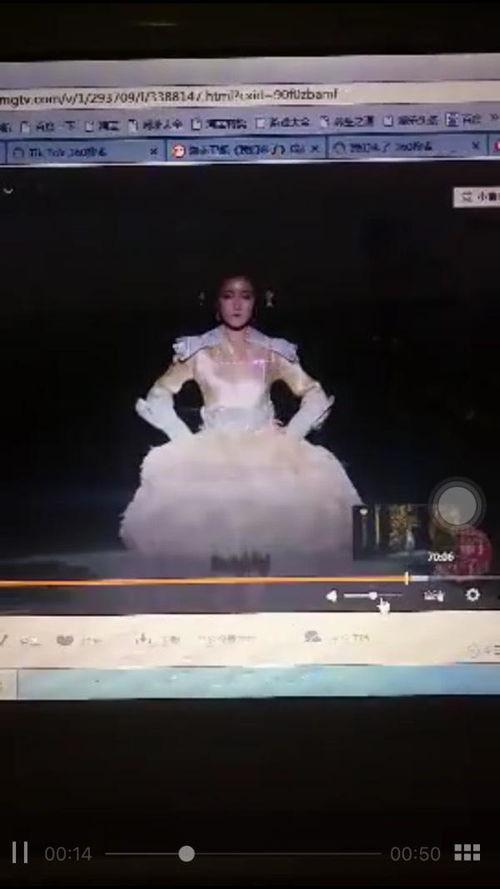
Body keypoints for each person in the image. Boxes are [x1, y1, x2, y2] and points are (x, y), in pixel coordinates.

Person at [120, 274, 360, 572]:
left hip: (268, 452)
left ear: (255, 303)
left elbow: (313, 392)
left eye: (245, 296)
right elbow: (159, 394)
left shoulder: (272, 351)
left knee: (281, 541)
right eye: (228, 295)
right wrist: (181, 438)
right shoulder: (197, 351)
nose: (236, 304)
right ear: (217, 303)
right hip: (212, 453)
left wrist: (292, 436)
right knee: (208, 543)